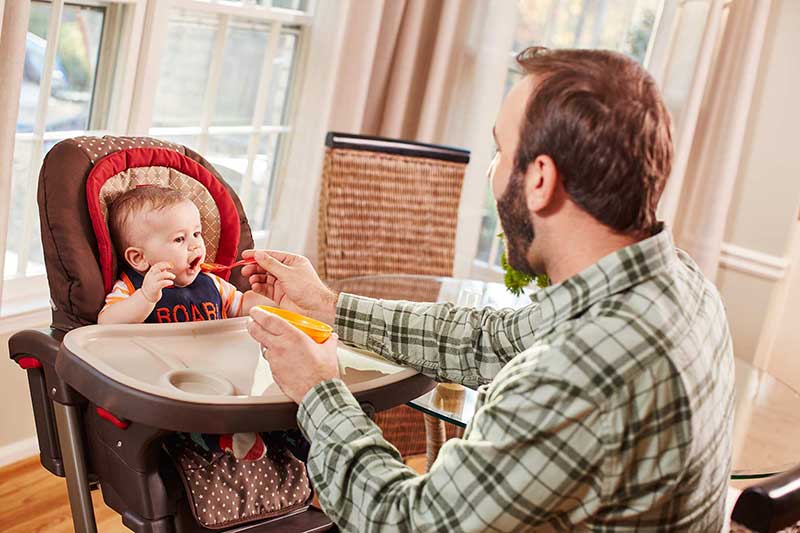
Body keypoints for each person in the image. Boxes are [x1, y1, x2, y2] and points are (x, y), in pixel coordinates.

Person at [244, 47, 735, 531]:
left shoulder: (577, 374)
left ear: (540, 179)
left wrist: (318, 390)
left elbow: (404, 521)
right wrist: (328, 304)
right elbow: (487, 341)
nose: (493, 172)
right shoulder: (680, 281)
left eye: (501, 151)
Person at [97, 185, 279, 461]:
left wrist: (274, 303)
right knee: (182, 417)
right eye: (179, 239)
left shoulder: (213, 284)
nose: (196, 245)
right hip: (171, 387)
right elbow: (106, 323)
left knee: (270, 392)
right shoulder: (133, 289)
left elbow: (241, 307)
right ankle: (221, 438)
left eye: (197, 234)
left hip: (221, 374)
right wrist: (146, 297)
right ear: (139, 258)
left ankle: (289, 432)